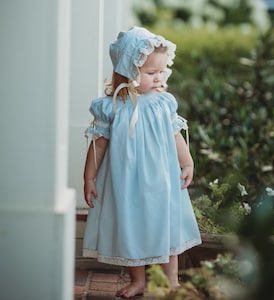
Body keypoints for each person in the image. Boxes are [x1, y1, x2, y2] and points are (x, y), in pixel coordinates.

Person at [83, 26, 202, 298]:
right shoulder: (112, 106)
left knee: (166, 227)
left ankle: (171, 279)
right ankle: (138, 280)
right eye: (151, 73)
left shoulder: (164, 103)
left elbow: (175, 137)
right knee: (132, 228)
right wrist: (89, 178)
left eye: (162, 71)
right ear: (129, 70)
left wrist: (187, 163)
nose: (159, 77)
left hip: (162, 179)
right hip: (126, 182)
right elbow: (98, 146)